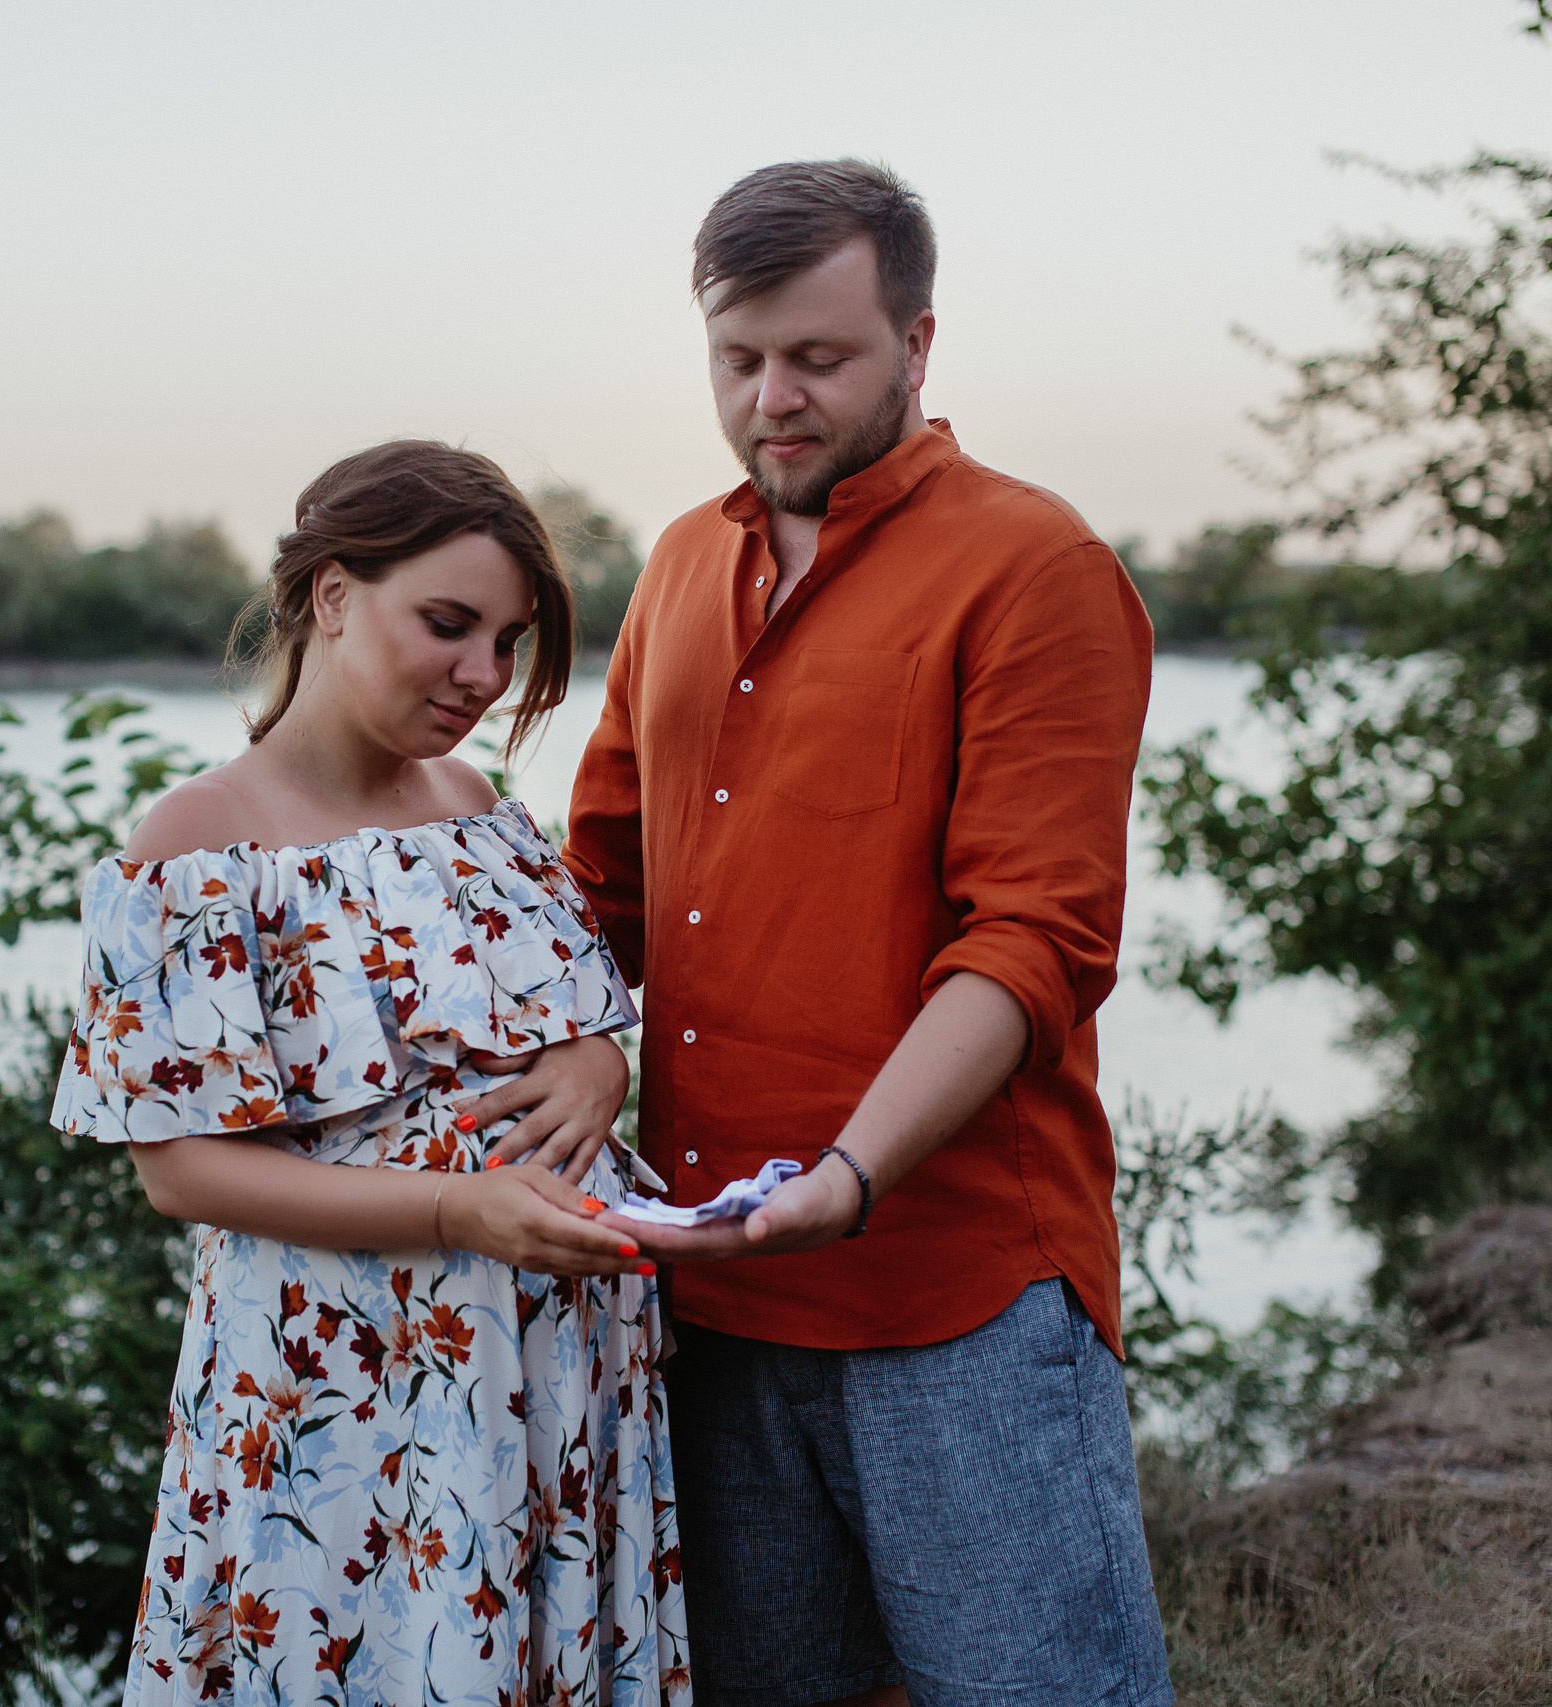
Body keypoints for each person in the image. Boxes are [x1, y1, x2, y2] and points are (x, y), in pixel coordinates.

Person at [480, 160, 1172, 1706]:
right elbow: (597, 894)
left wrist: (854, 1173)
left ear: (919, 344)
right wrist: (588, 1051)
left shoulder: (1036, 570)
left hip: (965, 1296)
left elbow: (1035, 944)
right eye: (740, 359)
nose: (772, 398)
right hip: (709, 1291)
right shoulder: (674, 565)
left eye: (819, 357)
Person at [51, 440, 691, 1707]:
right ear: (334, 597)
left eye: (507, 642)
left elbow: (557, 1019)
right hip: (344, 1396)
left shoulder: (470, 796)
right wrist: (459, 1210)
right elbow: (178, 1171)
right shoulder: (200, 836)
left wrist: (594, 1066)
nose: (483, 676)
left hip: (546, 1390)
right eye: (448, 625)